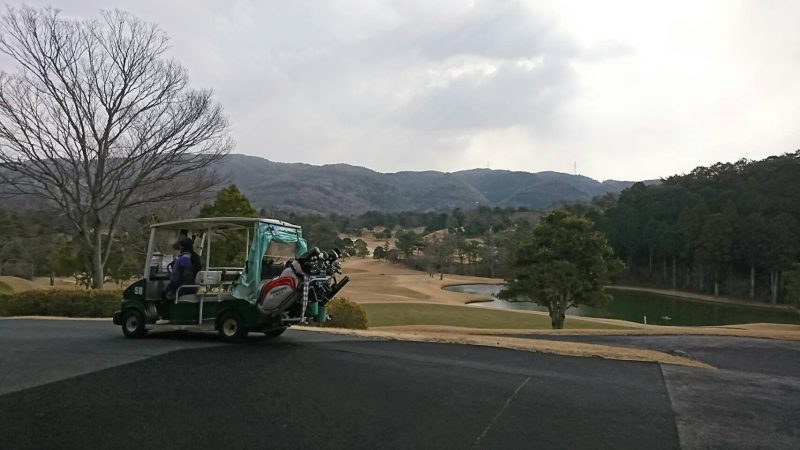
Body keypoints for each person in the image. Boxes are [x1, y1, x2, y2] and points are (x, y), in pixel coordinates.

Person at [161, 238, 203, 309]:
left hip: (182, 290)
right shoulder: (196, 258)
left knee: (164, 294)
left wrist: (166, 290)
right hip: (195, 289)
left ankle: (166, 313)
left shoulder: (180, 261)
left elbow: (175, 280)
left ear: (182, 247)